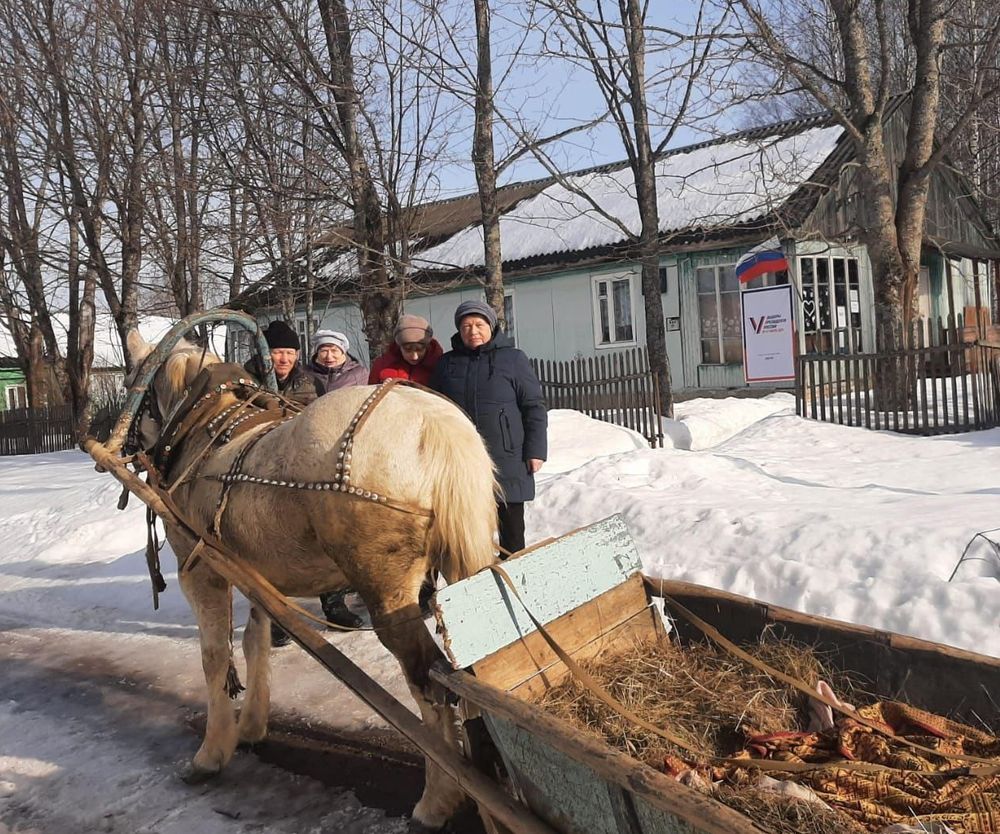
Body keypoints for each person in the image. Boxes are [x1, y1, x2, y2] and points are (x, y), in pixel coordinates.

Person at [430, 300, 547, 555]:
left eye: (479, 324)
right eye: (466, 326)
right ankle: (479, 588)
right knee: (471, 536)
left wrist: (535, 451)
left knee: (512, 535)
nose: (473, 331)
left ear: (491, 327)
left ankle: (514, 586)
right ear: (459, 331)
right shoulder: (447, 364)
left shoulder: (513, 359)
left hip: (508, 457)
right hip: (461, 461)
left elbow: (533, 407)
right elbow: (435, 410)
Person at [301, 329, 367, 630]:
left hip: (352, 456)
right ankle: (332, 600)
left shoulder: (360, 375)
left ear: (345, 352)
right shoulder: (304, 377)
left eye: (335, 350)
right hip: (311, 460)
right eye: (323, 350)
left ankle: (353, 586)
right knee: (319, 529)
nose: (329, 355)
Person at [248, 320, 322, 406]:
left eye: (289, 353)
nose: (284, 360)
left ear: (297, 355)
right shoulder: (248, 383)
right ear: (264, 354)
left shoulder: (312, 385)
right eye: (278, 352)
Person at [369, 314, 443, 386]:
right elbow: (370, 393)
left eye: (420, 349)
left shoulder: (440, 365)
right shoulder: (382, 366)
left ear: (427, 346)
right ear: (399, 346)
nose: (415, 357)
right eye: (408, 350)